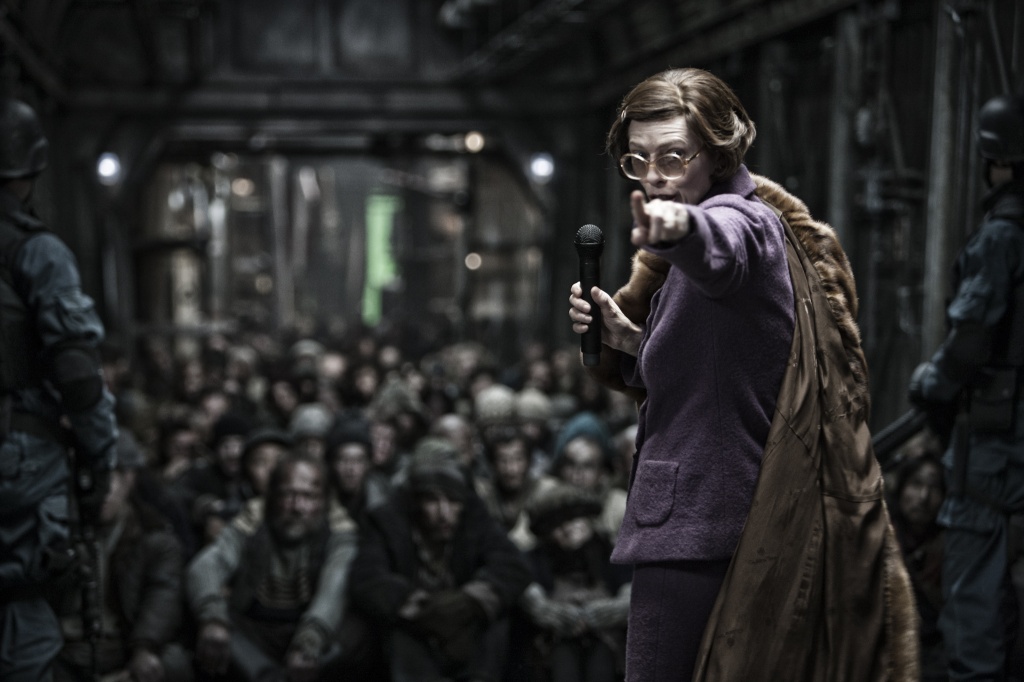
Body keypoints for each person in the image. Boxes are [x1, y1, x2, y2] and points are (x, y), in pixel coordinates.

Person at [567, 67, 918, 681]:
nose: (653, 176)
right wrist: (632, 341)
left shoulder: (741, 220)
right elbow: (721, 370)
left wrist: (679, 230)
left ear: (720, 150)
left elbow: (720, 248)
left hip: (696, 531)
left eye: (673, 156)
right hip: (729, 520)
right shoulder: (754, 222)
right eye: (637, 159)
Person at [0, 97, 120, 681]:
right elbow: (75, 370)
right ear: (31, 171)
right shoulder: (35, 251)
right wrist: (100, 454)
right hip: (17, 455)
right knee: (27, 600)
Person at [908, 92, 1024, 682]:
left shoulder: (1002, 239)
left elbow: (972, 337)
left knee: (972, 606)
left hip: (995, 451)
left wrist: (933, 383)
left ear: (997, 160)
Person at [346, 437, 533, 682]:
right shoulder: (388, 519)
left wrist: (467, 602)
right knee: (391, 629)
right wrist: (423, 607)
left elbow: (514, 566)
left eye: (452, 501)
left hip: (465, 627)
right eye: (432, 500)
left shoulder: (472, 513)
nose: (444, 513)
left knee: (501, 616)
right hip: (414, 630)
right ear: (416, 500)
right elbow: (367, 578)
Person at [186, 450, 359, 681]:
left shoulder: (338, 530)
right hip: (255, 631)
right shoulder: (254, 518)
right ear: (273, 496)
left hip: (310, 630)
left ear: (324, 501)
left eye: (308, 497)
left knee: (356, 630)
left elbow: (335, 586)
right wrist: (212, 617)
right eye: (288, 494)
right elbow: (208, 564)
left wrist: (310, 640)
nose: (297, 507)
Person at [48, 431, 192, 682]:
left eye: (107, 478)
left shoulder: (153, 536)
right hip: (66, 646)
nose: (99, 490)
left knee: (173, 663)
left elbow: (162, 593)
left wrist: (145, 646)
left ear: (128, 479)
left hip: (122, 643)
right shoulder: (59, 529)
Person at [519, 482, 631, 682]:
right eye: (557, 524)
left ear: (588, 518)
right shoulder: (536, 558)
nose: (568, 528)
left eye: (573, 518)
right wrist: (559, 615)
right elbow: (533, 601)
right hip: (555, 641)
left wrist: (597, 615)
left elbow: (629, 598)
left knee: (601, 660)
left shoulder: (611, 551)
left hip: (607, 639)